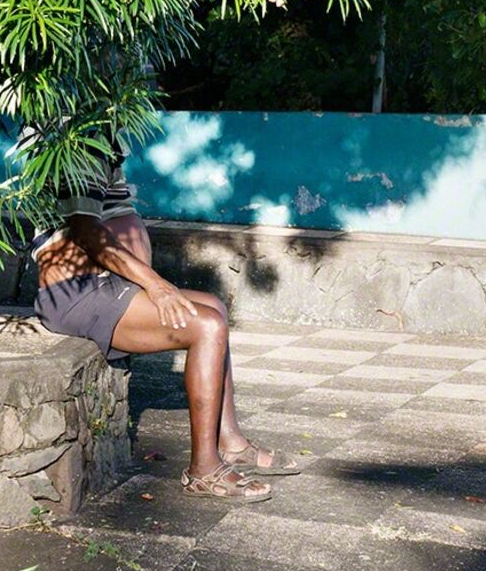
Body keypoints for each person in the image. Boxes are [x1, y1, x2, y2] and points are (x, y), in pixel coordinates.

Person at [26, 125, 302, 501]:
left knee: (214, 307)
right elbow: (86, 230)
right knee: (206, 326)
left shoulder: (101, 134)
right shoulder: (77, 139)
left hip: (105, 285)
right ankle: (204, 469)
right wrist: (156, 286)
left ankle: (231, 441)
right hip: (76, 293)